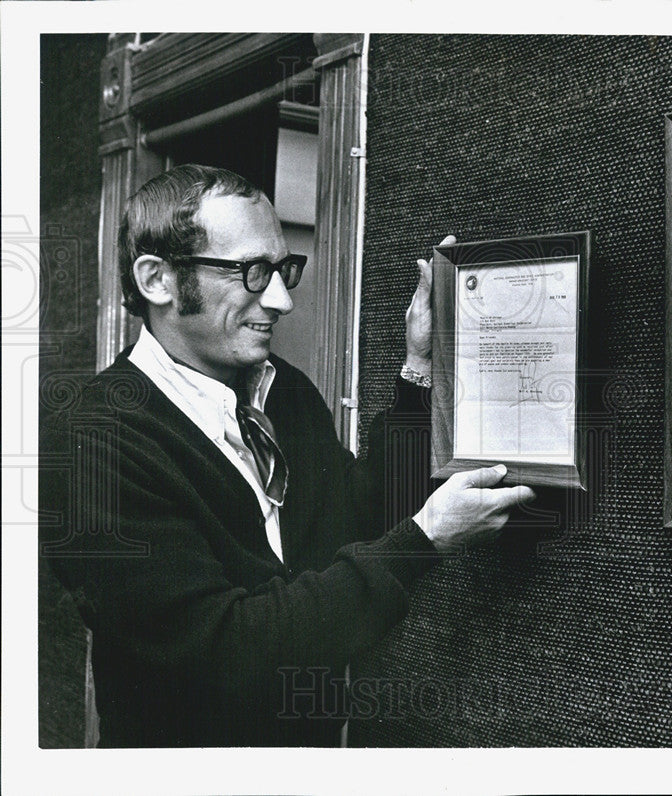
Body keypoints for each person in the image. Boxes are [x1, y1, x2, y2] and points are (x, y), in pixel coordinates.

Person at [39, 165, 535, 747]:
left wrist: (419, 366)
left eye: (282, 269)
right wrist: (424, 541)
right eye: (251, 271)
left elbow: (360, 516)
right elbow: (228, 653)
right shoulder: (91, 439)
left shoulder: (283, 389)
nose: (280, 299)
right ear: (158, 279)